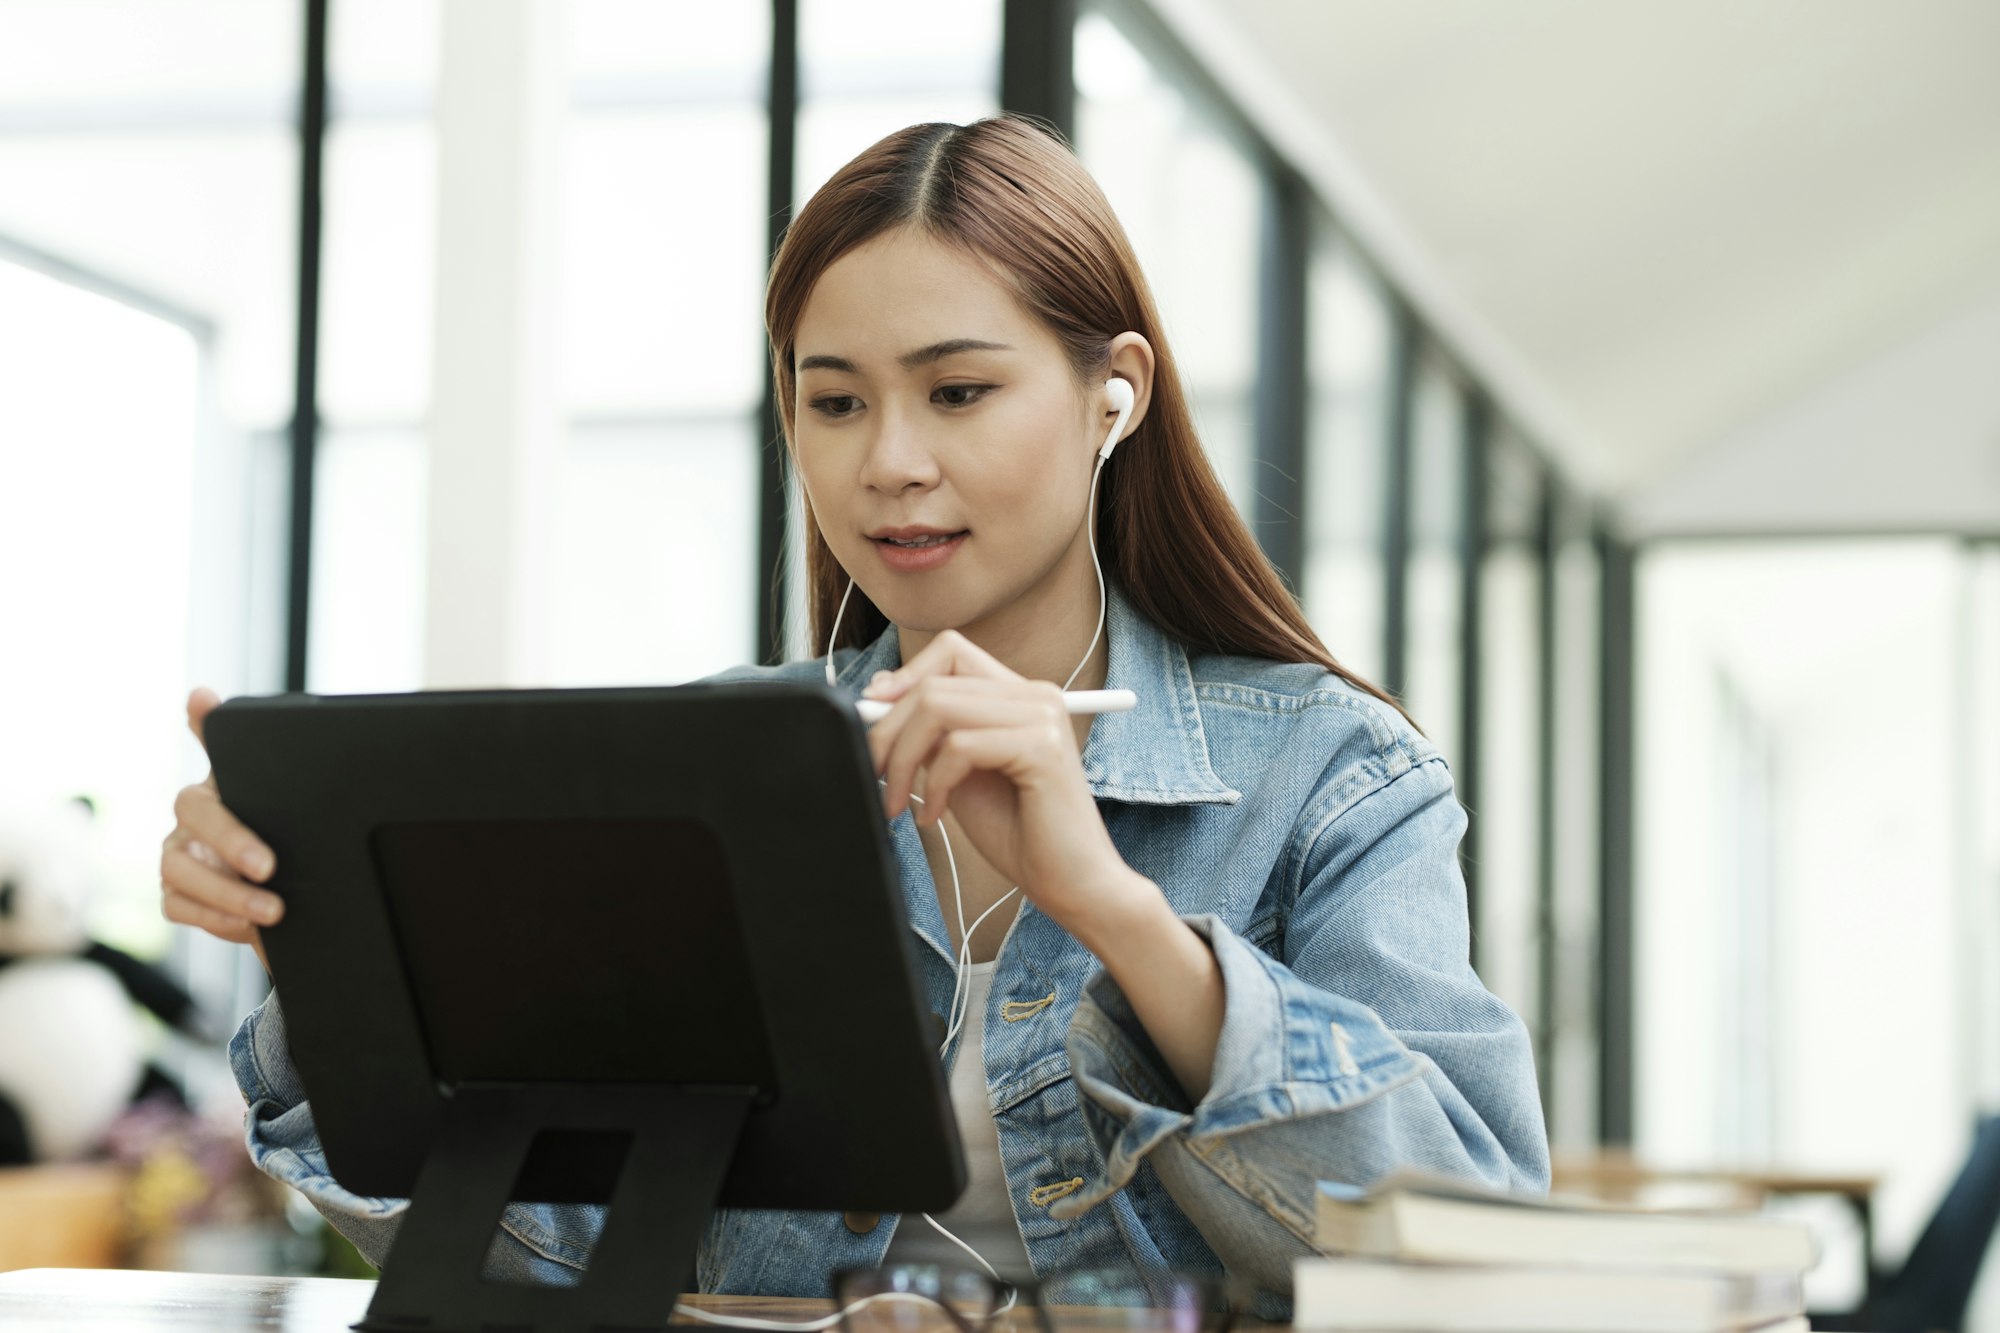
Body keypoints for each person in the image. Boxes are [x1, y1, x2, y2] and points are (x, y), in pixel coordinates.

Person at [160, 115, 1548, 1317]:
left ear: (1112, 391)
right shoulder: (710, 769)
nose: (890, 462)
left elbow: (1474, 1257)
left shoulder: (1333, 774)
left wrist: (1118, 909)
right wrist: (332, 938)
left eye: (959, 391)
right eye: (835, 402)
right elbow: (550, 1242)